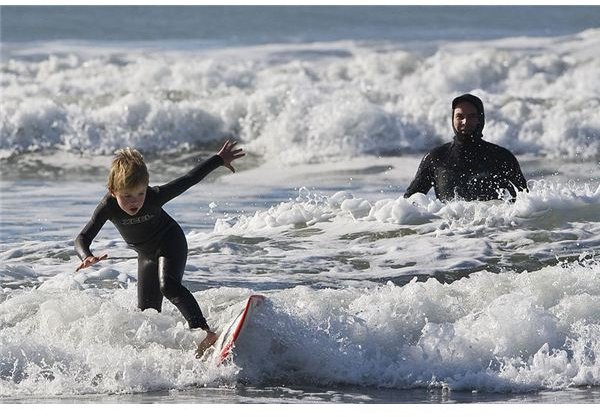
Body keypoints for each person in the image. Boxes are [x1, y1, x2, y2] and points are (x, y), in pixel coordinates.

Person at [74, 140, 245, 357]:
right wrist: (86, 255)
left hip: (170, 242)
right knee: (148, 313)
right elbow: (83, 236)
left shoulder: (154, 196)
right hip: (146, 255)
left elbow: (188, 179)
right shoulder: (107, 207)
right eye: (126, 196)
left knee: (169, 286)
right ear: (113, 190)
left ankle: (205, 333)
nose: (135, 201)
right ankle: (161, 354)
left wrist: (218, 159)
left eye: (140, 193)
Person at [404, 93, 528, 202]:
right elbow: (408, 205)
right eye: (460, 116)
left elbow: (528, 205)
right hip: (447, 229)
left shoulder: (501, 157)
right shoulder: (436, 158)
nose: (465, 121)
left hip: (494, 228)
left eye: (472, 116)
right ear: (453, 119)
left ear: (480, 119)